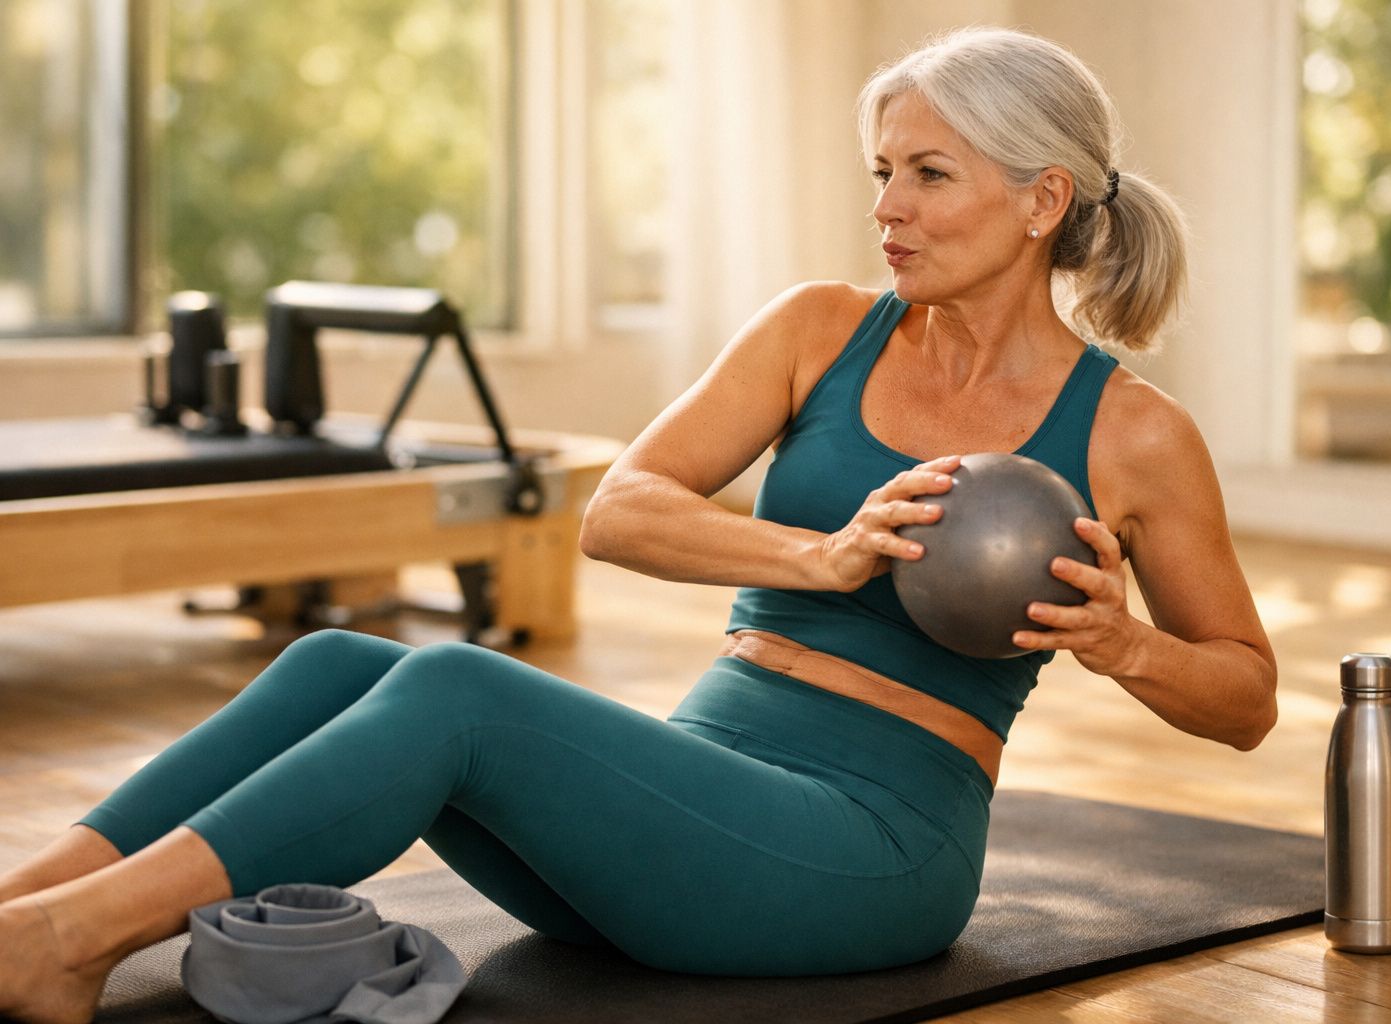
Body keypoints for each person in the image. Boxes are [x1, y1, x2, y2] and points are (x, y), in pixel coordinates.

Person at [0, 26, 1276, 1023]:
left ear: (1043, 199)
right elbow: (618, 511)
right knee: (336, 662)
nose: (888, 205)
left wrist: (1122, 642)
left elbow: (1248, 697)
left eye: (929, 174)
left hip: (870, 848)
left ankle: (67, 946)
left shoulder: (1133, 434)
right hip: (695, 802)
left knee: (455, 688)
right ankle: (22, 907)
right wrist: (820, 555)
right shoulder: (820, 329)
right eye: (883, 172)